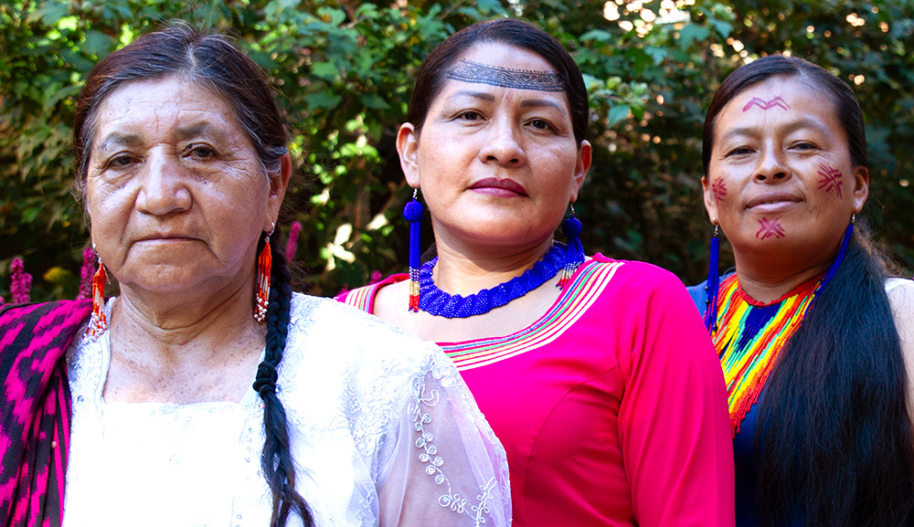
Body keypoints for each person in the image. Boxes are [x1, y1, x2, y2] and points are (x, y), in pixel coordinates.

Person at [0, 25, 511, 527]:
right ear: (87, 195)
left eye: (200, 153)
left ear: (273, 187)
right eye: (122, 160)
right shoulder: (22, 372)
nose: (158, 196)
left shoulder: (383, 380)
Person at [337, 18, 734, 527]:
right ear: (411, 153)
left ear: (578, 171)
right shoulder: (343, 325)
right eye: (469, 115)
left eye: (540, 124)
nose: (504, 147)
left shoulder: (639, 307)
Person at [692, 55, 914, 526]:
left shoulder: (902, 318)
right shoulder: (665, 317)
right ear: (711, 195)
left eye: (802, 144)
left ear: (857, 185)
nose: (770, 168)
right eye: (740, 151)